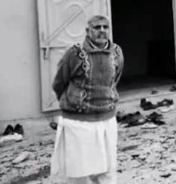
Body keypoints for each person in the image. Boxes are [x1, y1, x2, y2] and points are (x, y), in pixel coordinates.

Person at [51, 15, 124, 184]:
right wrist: (74, 102)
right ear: (87, 31)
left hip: (107, 120)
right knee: (79, 171)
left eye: (105, 27)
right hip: (79, 123)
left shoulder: (117, 52)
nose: (101, 31)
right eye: (97, 27)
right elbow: (59, 82)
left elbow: (114, 80)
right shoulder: (74, 53)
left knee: (107, 169)